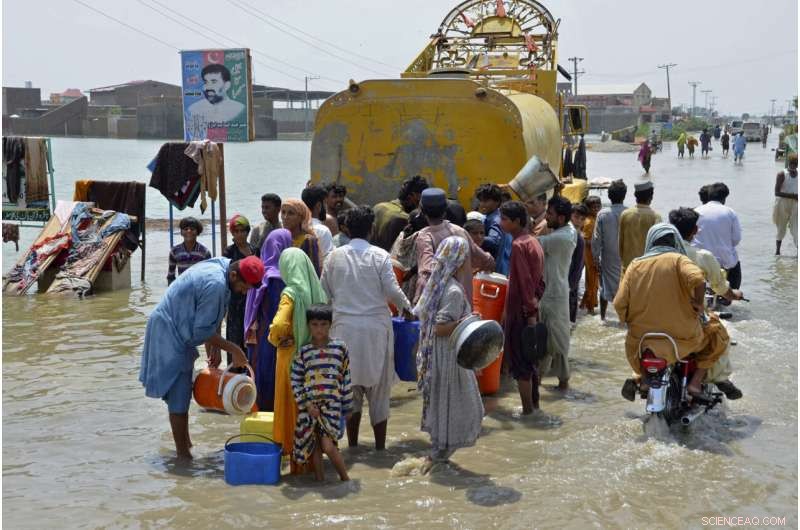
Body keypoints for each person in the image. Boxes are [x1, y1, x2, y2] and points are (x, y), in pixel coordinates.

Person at [140, 256, 263, 459]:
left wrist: (213, 347)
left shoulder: (223, 265)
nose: (244, 292)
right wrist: (234, 349)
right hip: (170, 330)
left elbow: (209, 315)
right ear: (234, 275)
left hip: (181, 328)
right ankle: (183, 456)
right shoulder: (215, 284)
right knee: (179, 395)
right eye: (244, 287)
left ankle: (185, 443)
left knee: (184, 393)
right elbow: (201, 331)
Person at [321, 206, 411, 450]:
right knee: (379, 394)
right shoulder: (380, 256)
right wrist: (409, 307)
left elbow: (324, 295)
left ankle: (352, 446)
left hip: (343, 332)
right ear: (371, 229)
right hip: (375, 331)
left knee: (350, 392)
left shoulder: (333, 257)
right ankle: (380, 450)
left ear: (347, 229)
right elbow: (393, 291)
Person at [614, 224, 729, 399]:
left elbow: (619, 303)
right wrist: (698, 304)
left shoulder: (635, 265)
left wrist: (628, 320)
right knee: (717, 335)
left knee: (641, 348)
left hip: (642, 339)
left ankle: (643, 379)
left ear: (650, 242)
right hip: (682, 338)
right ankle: (695, 383)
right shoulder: (678, 260)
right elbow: (698, 278)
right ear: (675, 242)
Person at [412, 236, 484, 469]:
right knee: (468, 408)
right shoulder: (452, 290)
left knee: (444, 404)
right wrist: (469, 321)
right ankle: (437, 458)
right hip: (449, 354)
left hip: (435, 354)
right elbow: (441, 328)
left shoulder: (435, 283)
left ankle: (437, 456)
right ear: (459, 260)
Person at [669, 207, 744, 400]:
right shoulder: (702, 256)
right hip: (691, 320)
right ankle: (702, 381)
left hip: (659, 318)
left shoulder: (657, 256)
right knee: (720, 338)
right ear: (695, 230)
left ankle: (640, 379)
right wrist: (734, 295)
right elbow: (720, 288)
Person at [268, 248, 328, 473]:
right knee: (312, 412)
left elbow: (279, 326)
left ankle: (298, 467)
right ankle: (315, 467)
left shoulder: (290, 293)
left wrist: (275, 338)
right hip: (316, 361)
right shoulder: (319, 292)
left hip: (292, 360)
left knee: (294, 411)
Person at [290, 304, 352, 482]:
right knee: (314, 446)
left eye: (324, 324)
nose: (319, 329)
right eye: (315, 324)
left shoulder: (340, 349)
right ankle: (320, 482)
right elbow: (295, 380)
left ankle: (345, 479)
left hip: (332, 407)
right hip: (310, 408)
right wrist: (307, 404)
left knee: (328, 445)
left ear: (330, 325)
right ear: (309, 325)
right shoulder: (304, 352)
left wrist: (347, 407)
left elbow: (346, 377)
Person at [499, 201, 545, 413]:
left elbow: (526, 283)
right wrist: (535, 304)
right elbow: (540, 282)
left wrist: (529, 313)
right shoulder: (533, 241)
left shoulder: (519, 245)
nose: (501, 223)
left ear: (516, 221)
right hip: (531, 309)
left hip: (522, 313)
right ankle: (534, 405)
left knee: (521, 364)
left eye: (505, 219)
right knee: (531, 361)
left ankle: (527, 411)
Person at [414, 188, 495, 304]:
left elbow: (426, 274)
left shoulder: (425, 237)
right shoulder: (460, 231)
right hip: (465, 307)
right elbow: (488, 261)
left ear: (422, 211)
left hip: (442, 311)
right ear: (445, 210)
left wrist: (416, 303)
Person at [243, 229, 293, 412]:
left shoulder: (260, 273)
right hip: (275, 337)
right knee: (274, 377)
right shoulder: (281, 278)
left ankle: (258, 413)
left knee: (258, 375)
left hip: (255, 337)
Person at [537, 196, 577, 391]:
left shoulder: (559, 238)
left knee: (558, 343)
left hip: (553, 295)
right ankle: (540, 381)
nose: (546, 217)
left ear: (560, 218)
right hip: (553, 293)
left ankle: (563, 383)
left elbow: (531, 243)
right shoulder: (568, 231)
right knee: (546, 341)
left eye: (549, 214)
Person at [693, 183, 743, 290]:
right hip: (725, 262)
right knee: (735, 265)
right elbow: (736, 239)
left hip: (699, 261)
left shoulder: (696, 211)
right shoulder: (730, 212)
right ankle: (731, 294)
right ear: (724, 198)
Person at [223, 215, 259, 357]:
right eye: (236, 231)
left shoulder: (255, 250)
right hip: (235, 301)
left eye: (242, 231)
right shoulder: (229, 252)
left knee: (252, 337)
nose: (239, 234)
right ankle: (233, 371)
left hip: (253, 298)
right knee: (235, 337)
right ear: (232, 233)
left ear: (247, 232)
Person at [591, 179, 627, 320]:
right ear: (624, 196)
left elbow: (596, 239)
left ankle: (603, 318)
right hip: (626, 256)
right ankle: (624, 320)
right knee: (625, 286)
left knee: (604, 287)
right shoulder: (629, 212)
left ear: (609, 196)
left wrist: (595, 257)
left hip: (608, 257)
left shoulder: (602, 214)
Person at [185, 63, 245, 138]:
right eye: (206, 82)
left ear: (227, 85)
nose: (208, 87)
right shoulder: (193, 109)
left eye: (214, 82)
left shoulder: (240, 108)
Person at [372, 175, 429, 252]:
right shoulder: (403, 219)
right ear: (411, 197)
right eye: (420, 200)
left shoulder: (378, 206)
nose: (421, 205)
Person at [618, 181, 662, 271]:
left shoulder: (625, 214)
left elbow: (620, 243)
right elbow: (659, 246)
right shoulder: (656, 217)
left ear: (635, 196)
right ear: (651, 197)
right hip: (648, 267)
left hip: (629, 266)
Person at [475, 183, 512, 275]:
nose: (482, 204)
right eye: (481, 201)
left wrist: (472, 237)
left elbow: (494, 240)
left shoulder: (495, 219)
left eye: (486, 201)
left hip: (498, 270)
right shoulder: (495, 216)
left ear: (497, 202)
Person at [280, 199, 321, 276]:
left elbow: (313, 273)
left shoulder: (308, 240)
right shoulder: (281, 239)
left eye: (291, 213)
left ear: (301, 217)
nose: (285, 217)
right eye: (283, 212)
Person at [167, 216, 211, 285]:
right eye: (186, 229)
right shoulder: (174, 252)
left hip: (199, 288)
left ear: (197, 232)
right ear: (181, 232)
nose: (189, 231)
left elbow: (208, 275)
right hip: (182, 288)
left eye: (192, 229)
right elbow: (171, 276)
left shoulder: (204, 252)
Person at [302, 185, 335, 267]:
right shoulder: (323, 231)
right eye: (325, 203)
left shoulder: (297, 226)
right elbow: (328, 264)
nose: (326, 207)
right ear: (319, 205)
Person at [579, 196, 602, 315]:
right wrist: (599, 242)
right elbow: (585, 239)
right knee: (592, 282)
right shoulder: (590, 222)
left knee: (591, 281)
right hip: (590, 255)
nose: (597, 209)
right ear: (588, 209)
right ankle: (590, 308)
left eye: (598, 206)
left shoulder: (594, 219)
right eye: (594, 207)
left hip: (590, 255)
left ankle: (583, 305)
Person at [773, 153, 798, 255]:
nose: (793, 165)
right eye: (792, 163)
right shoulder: (782, 174)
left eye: (795, 163)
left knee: (796, 227)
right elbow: (776, 192)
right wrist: (793, 196)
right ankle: (777, 252)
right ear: (788, 163)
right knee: (781, 228)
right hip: (782, 203)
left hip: (796, 204)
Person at [568, 203, 588, 325]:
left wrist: (571, 286)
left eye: (582, 219)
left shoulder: (579, 238)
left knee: (569, 320)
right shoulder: (570, 234)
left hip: (570, 284)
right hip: (567, 281)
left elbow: (578, 266)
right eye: (576, 217)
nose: (578, 221)